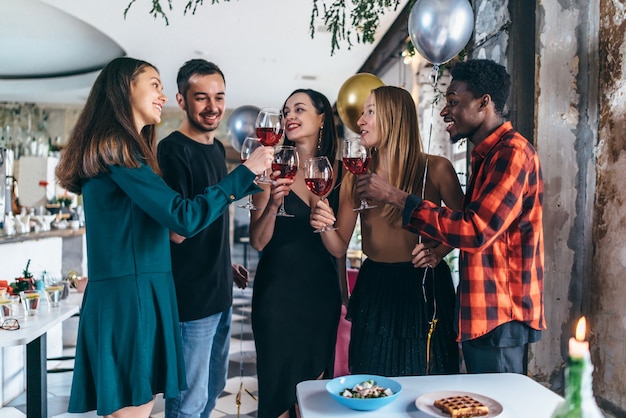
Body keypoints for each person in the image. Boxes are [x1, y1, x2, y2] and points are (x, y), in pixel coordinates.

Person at [55, 57, 273, 418]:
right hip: (132, 300)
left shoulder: (126, 152)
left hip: (139, 295)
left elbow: (162, 226)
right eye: (153, 84)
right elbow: (183, 220)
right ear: (126, 89)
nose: (161, 96)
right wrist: (245, 173)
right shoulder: (117, 152)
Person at [355, 59, 545, 374]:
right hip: (480, 312)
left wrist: (394, 197)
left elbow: (474, 231)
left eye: (453, 102)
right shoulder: (486, 156)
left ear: (484, 102)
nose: (445, 111)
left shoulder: (512, 154)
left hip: (499, 312)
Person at [311, 85, 464, 376]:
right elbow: (339, 246)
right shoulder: (354, 172)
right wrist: (324, 224)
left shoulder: (437, 168)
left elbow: (466, 225)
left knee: (428, 381)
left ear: (394, 118)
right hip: (376, 288)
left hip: (426, 288)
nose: (360, 121)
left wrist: (439, 252)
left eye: (370, 112)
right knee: (370, 383)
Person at [156, 59, 249, 417]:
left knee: (211, 393)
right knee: (187, 404)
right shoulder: (171, 150)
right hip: (190, 300)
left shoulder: (214, 149)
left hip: (219, 291)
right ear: (181, 100)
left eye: (219, 97)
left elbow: (207, 217)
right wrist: (241, 177)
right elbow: (177, 230)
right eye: (201, 98)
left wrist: (223, 262)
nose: (213, 107)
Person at [249, 89, 343, 418]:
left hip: (320, 297)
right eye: (287, 110)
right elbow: (258, 241)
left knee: (313, 400)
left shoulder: (340, 172)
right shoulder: (270, 169)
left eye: (299, 109)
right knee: (277, 397)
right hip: (276, 298)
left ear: (322, 119)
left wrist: (325, 221)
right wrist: (274, 203)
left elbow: (340, 248)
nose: (290, 115)